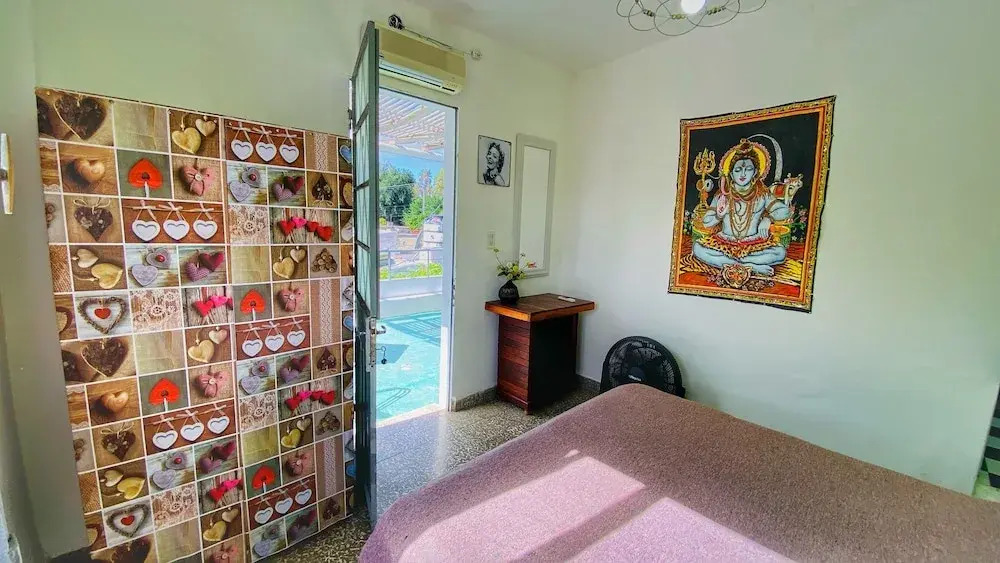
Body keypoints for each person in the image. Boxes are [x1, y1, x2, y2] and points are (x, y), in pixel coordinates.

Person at [692, 139, 798, 276]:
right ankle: (750, 266)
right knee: (698, 248)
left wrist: (767, 219)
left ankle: (732, 264)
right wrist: (719, 215)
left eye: (748, 169)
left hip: (753, 244)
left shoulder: (762, 194)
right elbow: (707, 222)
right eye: (738, 170)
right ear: (731, 174)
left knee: (780, 253)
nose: (743, 174)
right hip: (725, 242)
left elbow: (784, 211)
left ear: (755, 173)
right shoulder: (723, 195)